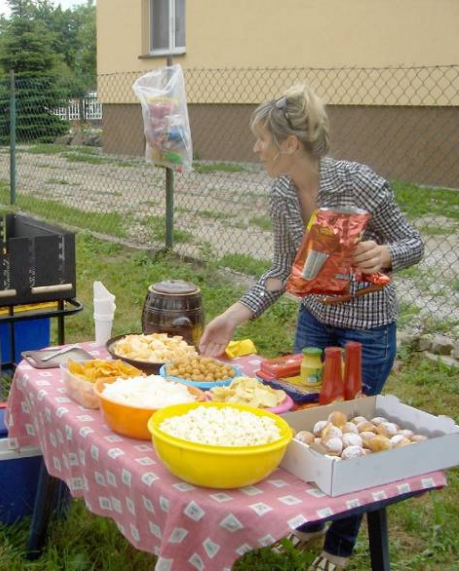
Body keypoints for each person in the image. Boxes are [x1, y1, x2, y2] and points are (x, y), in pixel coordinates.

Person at [199, 84, 424, 570]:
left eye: (262, 140)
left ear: (290, 144)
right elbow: (282, 269)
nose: (256, 149)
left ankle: (339, 546)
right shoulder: (282, 191)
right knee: (304, 424)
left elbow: (412, 242)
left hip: (367, 328)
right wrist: (236, 313)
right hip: (315, 322)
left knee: (352, 439)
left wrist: (385, 253)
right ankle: (311, 521)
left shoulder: (358, 182)